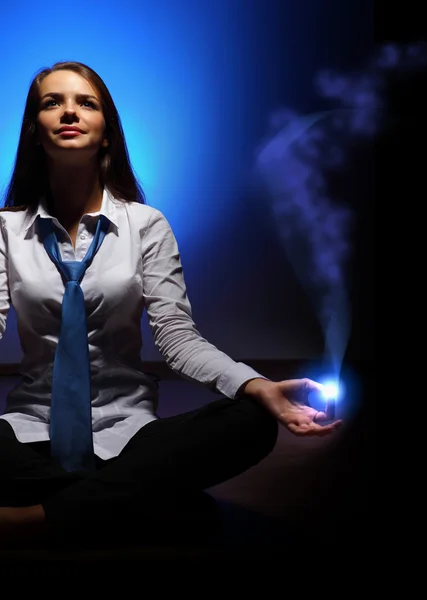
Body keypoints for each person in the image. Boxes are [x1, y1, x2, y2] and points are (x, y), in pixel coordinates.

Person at [0, 61, 342, 548]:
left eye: (86, 103)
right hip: (29, 432)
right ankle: (141, 505)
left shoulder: (146, 225)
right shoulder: (6, 229)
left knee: (251, 421)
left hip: (129, 433)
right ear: (35, 133)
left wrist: (256, 384)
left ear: (107, 134)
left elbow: (177, 336)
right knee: (171, 505)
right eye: (51, 103)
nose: (68, 112)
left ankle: (33, 519)